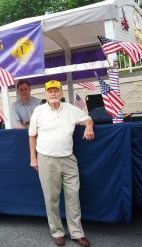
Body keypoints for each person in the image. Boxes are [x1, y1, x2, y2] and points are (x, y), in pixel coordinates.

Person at [29, 80, 94, 247]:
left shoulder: (71, 109)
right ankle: (57, 232)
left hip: (68, 158)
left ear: (61, 93)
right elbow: (32, 135)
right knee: (51, 198)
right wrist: (33, 158)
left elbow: (87, 118)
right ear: (45, 94)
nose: (53, 94)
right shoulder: (39, 111)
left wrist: (88, 126)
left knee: (73, 196)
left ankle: (77, 233)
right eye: (49, 91)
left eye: (56, 91)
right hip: (46, 158)